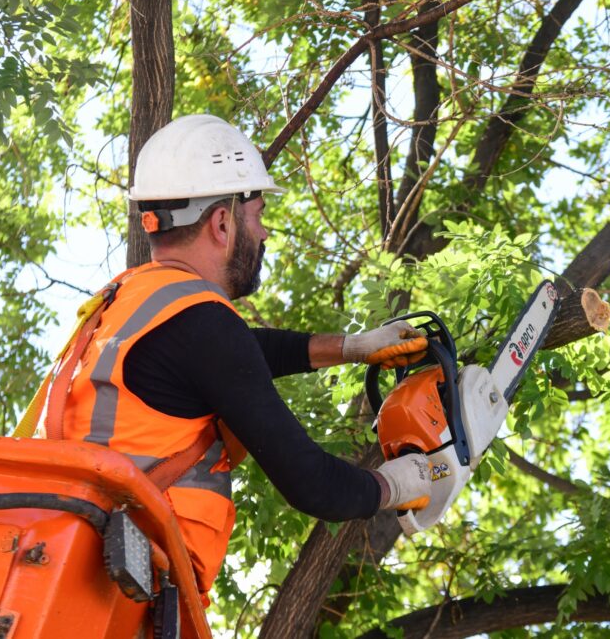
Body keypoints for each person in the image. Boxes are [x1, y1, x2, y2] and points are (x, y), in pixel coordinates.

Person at [48, 114, 432, 597]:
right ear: (223, 222)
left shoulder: (128, 301)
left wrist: (352, 347)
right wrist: (398, 482)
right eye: (258, 217)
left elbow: (238, 354)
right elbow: (315, 485)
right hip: (123, 583)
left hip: (74, 549)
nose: (265, 233)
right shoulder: (202, 324)